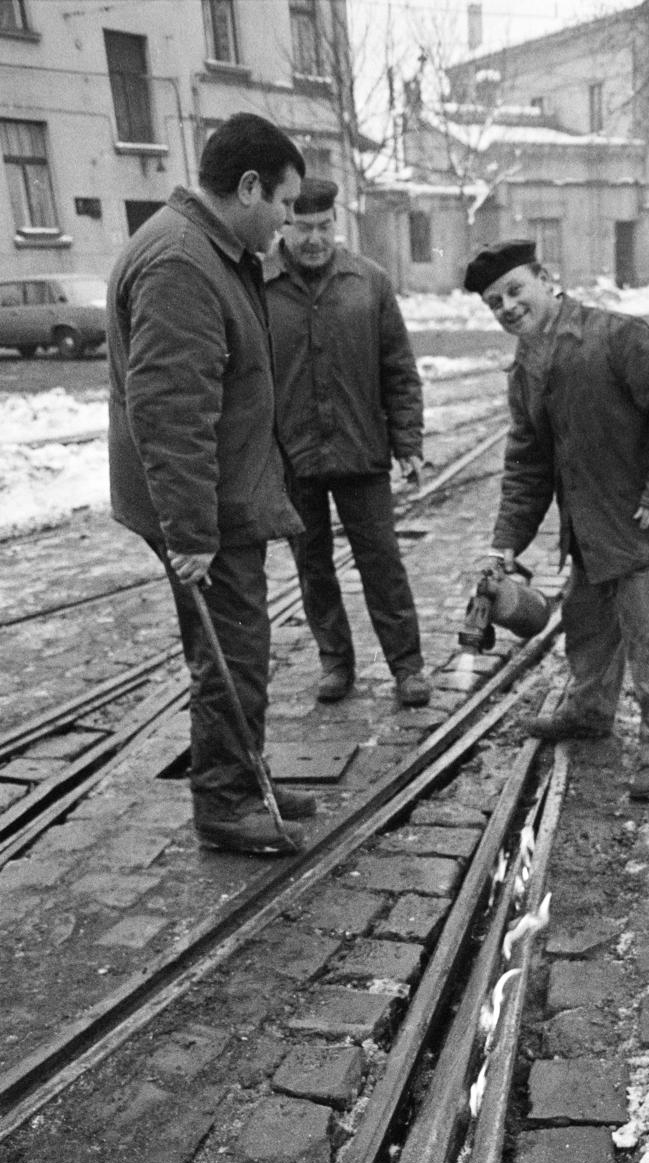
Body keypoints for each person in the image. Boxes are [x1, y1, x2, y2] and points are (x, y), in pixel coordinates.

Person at [107, 112, 315, 855]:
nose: (289, 223)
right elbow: (170, 410)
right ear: (250, 186)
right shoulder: (182, 263)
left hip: (223, 496)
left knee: (239, 647)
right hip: (208, 510)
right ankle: (225, 803)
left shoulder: (206, 249)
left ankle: (243, 776)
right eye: (285, 206)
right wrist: (190, 533)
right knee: (231, 651)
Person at [463, 239, 649, 801]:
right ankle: (590, 710)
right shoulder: (525, 369)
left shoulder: (617, 337)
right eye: (494, 302)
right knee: (591, 629)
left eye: (515, 290)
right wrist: (506, 544)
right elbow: (527, 464)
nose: (507, 307)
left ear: (546, 279)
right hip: (593, 532)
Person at [264, 176, 431, 708]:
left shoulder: (369, 282)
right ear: (284, 225)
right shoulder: (258, 287)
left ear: (336, 224)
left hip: (361, 453)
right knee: (311, 566)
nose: (314, 238)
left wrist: (407, 441)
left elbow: (399, 369)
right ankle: (335, 663)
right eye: (302, 226)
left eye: (324, 226)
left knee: (382, 562)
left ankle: (408, 667)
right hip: (294, 457)